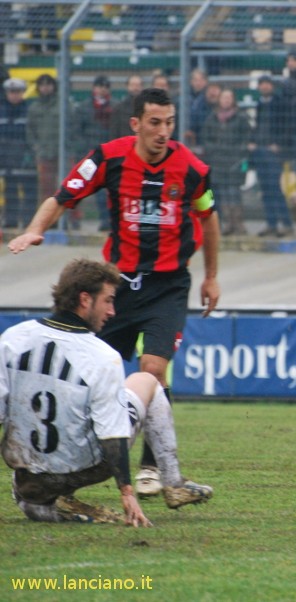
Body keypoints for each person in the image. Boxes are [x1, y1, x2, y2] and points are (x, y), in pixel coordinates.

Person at [8, 87, 221, 500]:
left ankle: (151, 472)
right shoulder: (107, 158)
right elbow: (63, 196)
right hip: (117, 287)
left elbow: (208, 219)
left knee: (153, 368)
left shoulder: (192, 169)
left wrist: (211, 276)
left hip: (168, 285)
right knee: (83, 377)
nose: (163, 132)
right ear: (136, 124)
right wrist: (36, 229)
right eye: (155, 123)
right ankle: (61, 466)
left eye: (170, 123)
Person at [1, 259, 213, 525]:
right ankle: (173, 482)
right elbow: (113, 434)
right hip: (83, 469)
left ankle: (40, 503)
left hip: (28, 475)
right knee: (148, 380)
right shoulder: (102, 355)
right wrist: (127, 492)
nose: (113, 311)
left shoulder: (12, 338)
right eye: (109, 300)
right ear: (85, 300)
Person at [201, 88, 252, 236]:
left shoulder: (241, 117)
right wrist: (215, 150)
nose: (226, 100)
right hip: (218, 161)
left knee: (234, 191)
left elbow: (246, 138)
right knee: (223, 192)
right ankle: (227, 224)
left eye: (229, 97)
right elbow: (206, 139)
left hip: (235, 161)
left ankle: (238, 223)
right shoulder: (212, 118)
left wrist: (238, 152)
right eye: (224, 97)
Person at [250, 74, 293, 237]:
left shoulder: (280, 103)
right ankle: (271, 223)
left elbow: (286, 126)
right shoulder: (260, 104)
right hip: (260, 151)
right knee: (265, 189)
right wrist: (253, 142)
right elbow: (257, 126)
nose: (265, 87)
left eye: (267, 84)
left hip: (274, 153)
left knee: (275, 188)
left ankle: (286, 223)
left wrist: (279, 144)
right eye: (262, 84)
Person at [71, 75, 115, 231]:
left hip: (109, 155)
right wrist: (85, 149)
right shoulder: (84, 107)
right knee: (84, 187)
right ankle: (75, 220)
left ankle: (107, 220)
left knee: (107, 189)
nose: (102, 89)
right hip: (90, 155)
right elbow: (77, 131)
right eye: (99, 86)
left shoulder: (114, 107)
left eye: (105, 86)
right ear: (94, 88)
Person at [0, 77, 37, 230]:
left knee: (29, 190)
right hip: (5, 157)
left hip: (25, 157)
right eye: (11, 92)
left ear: (23, 93)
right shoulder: (1, 110)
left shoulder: (30, 110)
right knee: (10, 191)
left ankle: (29, 222)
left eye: (17, 92)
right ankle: (11, 221)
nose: (14, 95)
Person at [27, 74, 61, 208]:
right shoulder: (34, 107)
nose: (45, 88)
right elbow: (30, 130)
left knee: (70, 186)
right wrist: (36, 147)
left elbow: (73, 125)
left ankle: (71, 220)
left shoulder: (63, 104)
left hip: (62, 151)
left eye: (48, 84)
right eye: (42, 85)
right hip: (44, 154)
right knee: (46, 187)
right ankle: (48, 219)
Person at [110, 74, 144, 139]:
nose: (135, 88)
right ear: (127, 86)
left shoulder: (147, 108)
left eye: (138, 85)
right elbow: (114, 132)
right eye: (133, 85)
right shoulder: (118, 108)